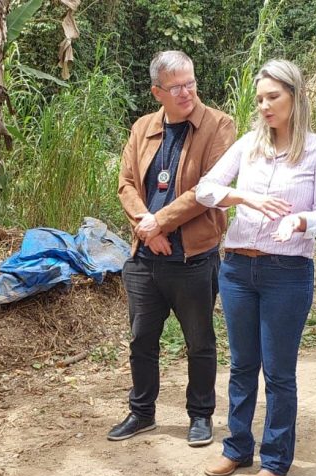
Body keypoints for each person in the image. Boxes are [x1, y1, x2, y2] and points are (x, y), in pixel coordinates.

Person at [193, 59, 316, 476]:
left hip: (286, 272)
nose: (264, 106)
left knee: (278, 372)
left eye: (273, 97)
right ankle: (237, 446)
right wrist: (245, 196)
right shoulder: (247, 146)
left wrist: (298, 223)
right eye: (259, 99)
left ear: (296, 96)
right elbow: (205, 189)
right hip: (237, 268)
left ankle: (276, 459)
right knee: (241, 365)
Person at [108, 50, 236, 446]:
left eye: (191, 83)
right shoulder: (142, 127)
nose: (187, 93)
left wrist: (160, 222)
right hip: (145, 259)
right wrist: (148, 230)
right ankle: (141, 412)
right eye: (176, 86)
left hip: (193, 257)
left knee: (199, 341)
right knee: (141, 339)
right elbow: (126, 184)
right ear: (157, 91)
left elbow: (209, 190)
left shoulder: (218, 125)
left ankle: (201, 415)